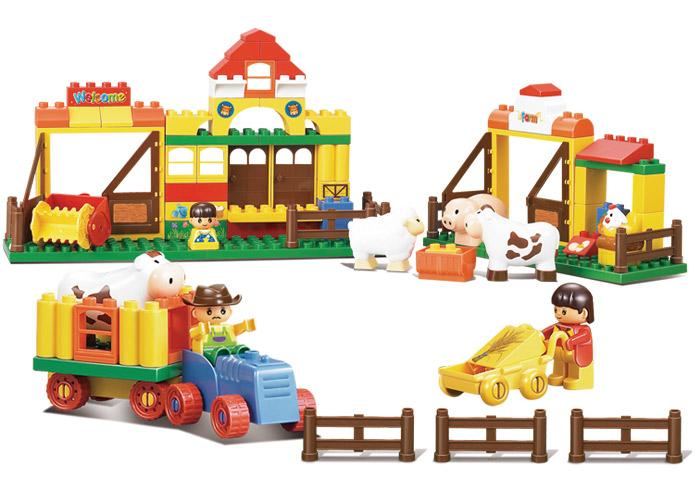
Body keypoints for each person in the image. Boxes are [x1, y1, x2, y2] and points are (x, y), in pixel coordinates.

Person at [183, 284, 256, 365]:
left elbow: (235, 330)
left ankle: (240, 357)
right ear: (195, 313)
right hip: (206, 354)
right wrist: (200, 331)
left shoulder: (228, 328)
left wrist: (244, 326)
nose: (217, 314)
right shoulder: (201, 327)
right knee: (217, 355)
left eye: (222, 311)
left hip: (230, 350)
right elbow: (193, 334)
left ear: (230, 312)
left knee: (240, 349)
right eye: (209, 312)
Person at [541, 283, 594, 390]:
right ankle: (559, 374)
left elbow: (584, 336)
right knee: (559, 363)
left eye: (564, 311)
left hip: (574, 354)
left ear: (584, 313)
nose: (558, 314)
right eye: (556, 310)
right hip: (559, 353)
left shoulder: (584, 330)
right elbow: (547, 331)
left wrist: (571, 341)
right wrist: (541, 335)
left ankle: (577, 378)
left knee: (574, 366)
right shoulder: (558, 326)